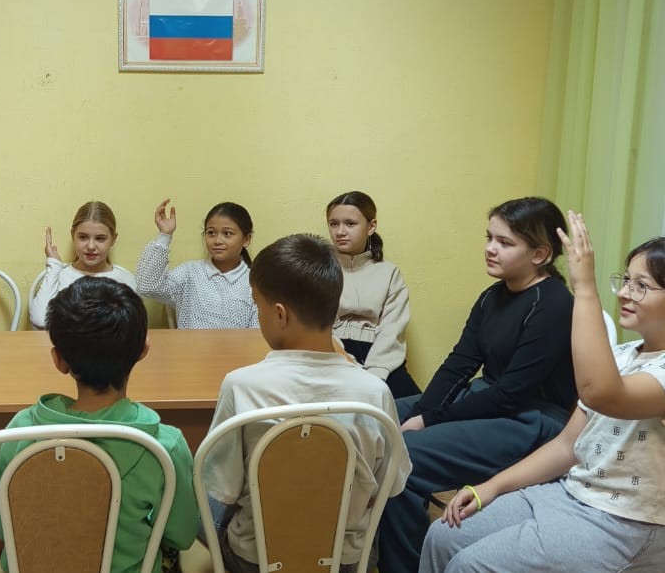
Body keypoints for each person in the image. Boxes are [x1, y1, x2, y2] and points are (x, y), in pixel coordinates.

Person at [420, 212, 665, 573]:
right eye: (626, 281)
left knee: (469, 566)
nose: (624, 293)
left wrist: (584, 288)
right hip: (571, 495)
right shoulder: (625, 354)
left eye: (641, 285)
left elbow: (601, 393)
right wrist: (491, 486)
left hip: (628, 525)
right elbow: (568, 446)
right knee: (443, 535)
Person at [378, 197, 577, 573]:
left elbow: (513, 392)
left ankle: (406, 565)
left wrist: (430, 420)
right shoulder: (492, 296)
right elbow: (459, 364)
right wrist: (421, 412)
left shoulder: (553, 304)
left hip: (535, 420)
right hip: (493, 399)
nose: (490, 248)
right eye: (489, 237)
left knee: (402, 458)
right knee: (376, 415)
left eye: (505, 242)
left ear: (540, 254)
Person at [203, 233, 410, 573]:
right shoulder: (375, 393)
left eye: (258, 307)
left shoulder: (241, 386)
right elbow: (392, 484)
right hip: (344, 561)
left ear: (280, 314)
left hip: (256, 560)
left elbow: (223, 487)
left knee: (200, 495)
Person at [0, 277, 198, 573]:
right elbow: (182, 535)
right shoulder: (165, 445)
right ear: (143, 350)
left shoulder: (20, 430)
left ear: (59, 360)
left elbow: (4, 529)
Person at [327, 191, 421, 398]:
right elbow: (312, 325)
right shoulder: (319, 270)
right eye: (334, 224)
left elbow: (392, 329)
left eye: (350, 224)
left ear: (371, 226)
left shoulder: (389, 272)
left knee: (415, 407)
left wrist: (375, 374)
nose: (340, 231)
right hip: (332, 355)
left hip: (379, 354)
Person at [136, 199, 258, 328]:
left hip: (240, 342)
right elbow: (147, 287)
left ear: (246, 239)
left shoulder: (255, 283)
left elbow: (258, 333)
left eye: (227, 234)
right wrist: (165, 235)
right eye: (211, 233)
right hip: (189, 342)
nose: (218, 240)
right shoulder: (189, 273)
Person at [28, 201, 137, 330]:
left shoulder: (125, 280)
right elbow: (40, 320)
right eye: (83, 237)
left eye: (100, 238)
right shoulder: (59, 277)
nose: (91, 246)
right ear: (73, 235)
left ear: (113, 239)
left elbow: (131, 327)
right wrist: (54, 265)